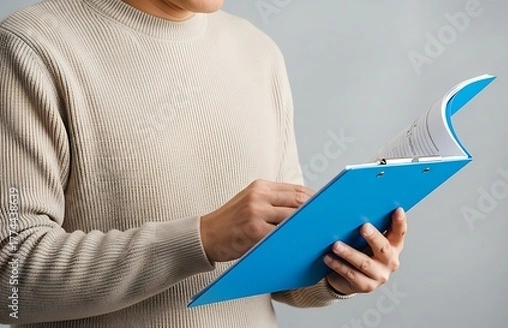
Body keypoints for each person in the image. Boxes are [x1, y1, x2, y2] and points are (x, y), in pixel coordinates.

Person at [0, 0, 408, 327]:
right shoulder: (31, 47)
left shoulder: (259, 52)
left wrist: (337, 273)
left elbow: (279, 271)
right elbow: (9, 280)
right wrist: (202, 238)